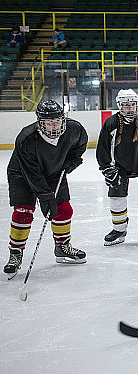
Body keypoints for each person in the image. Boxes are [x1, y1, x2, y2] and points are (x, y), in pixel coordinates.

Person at [4, 100, 88, 278]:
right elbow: (32, 174)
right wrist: (44, 195)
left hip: (54, 171)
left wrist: (73, 160)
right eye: (49, 122)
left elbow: (81, 145)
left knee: (63, 209)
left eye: (57, 121)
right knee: (23, 211)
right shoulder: (26, 139)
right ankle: (16, 253)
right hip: (22, 173)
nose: (54, 126)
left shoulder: (74, 130)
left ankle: (62, 247)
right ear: (40, 123)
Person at [96, 89, 138, 246]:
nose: (130, 108)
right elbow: (103, 148)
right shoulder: (111, 123)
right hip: (120, 166)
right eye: (126, 105)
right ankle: (119, 230)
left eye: (133, 105)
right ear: (119, 106)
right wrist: (106, 168)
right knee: (116, 197)